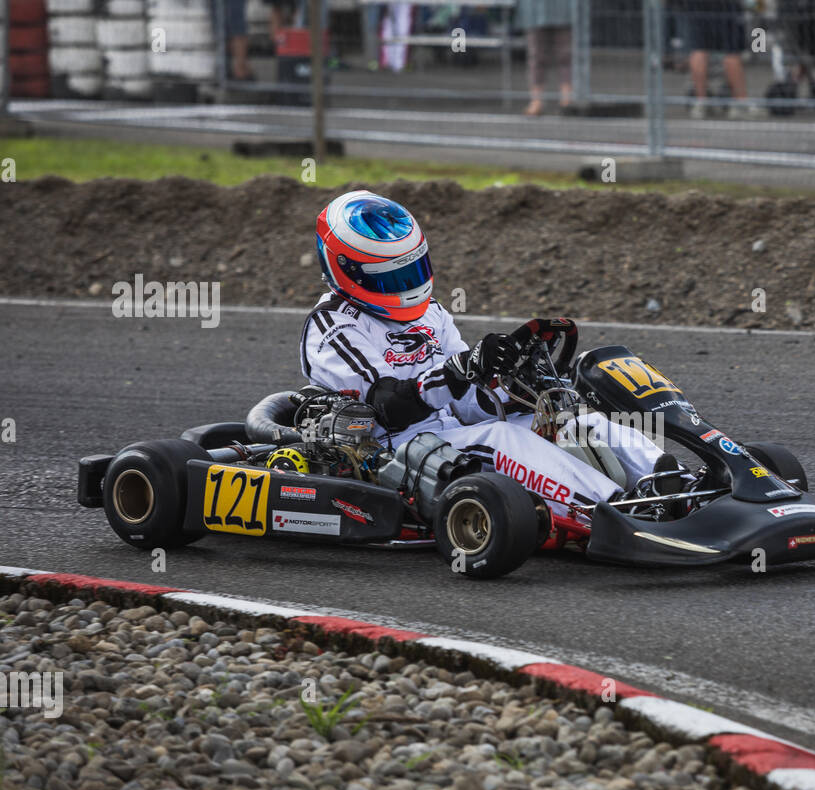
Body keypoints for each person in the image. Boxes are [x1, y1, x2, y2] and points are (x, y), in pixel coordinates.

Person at [300, 190, 667, 515]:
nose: (406, 286)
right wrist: (459, 370)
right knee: (504, 438)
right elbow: (390, 407)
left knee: (576, 422)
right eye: (389, 279)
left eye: (413, 271)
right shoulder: (334, 326)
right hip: (394, 448)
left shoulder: (432, 313)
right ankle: (613, 509)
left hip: (455, 434)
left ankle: (670, 481)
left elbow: (469, 404)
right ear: (346, 270)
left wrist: (514, 389)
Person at [675, 0, 765, 119]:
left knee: (699, 48)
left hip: (696, 5)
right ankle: (741, 103)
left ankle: (701, 102)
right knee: (731, 51)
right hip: (725, 6)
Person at [517, 0, 573, 115]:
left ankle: (567, 99)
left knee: (565, 56)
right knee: (536, 57)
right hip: (535, 12)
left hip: (564, 10)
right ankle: (536, 101)